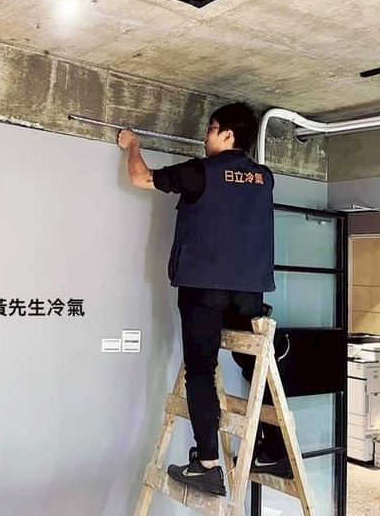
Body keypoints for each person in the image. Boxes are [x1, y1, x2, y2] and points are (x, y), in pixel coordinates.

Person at [118, 102, 289, 497]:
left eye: (211, 128)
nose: (206, 135)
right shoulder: (264, 178)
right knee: (254, 366)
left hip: (203, 290)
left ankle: (207, 465)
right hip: (248, 291)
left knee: (200, 370)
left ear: (228, 135)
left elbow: (140, 178)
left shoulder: (202, 171)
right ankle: (274, 452)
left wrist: (132, 144)